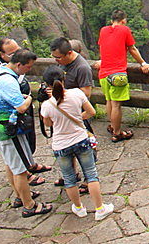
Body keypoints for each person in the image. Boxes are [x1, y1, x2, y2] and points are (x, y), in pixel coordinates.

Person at [40, 65, 114, 221]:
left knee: (69, 179)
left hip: (61, 145)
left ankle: (79, 208)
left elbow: (48, 124)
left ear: (46, 85)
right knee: (91, 175)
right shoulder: (76, 94)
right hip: (81, 140)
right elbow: (91, 112)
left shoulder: (47, 105)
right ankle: (100, 209)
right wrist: (78, 118)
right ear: (64, 79)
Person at [0, 49, 53, 217]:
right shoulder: (8, 82)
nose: (29, 70)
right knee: (20, 170)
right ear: (19, 64)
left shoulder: (1, 70)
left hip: (0, 127)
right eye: (28, 67)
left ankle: (19, 196)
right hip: (10, 131)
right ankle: (29, 205)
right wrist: (30, 97)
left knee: (11, 164)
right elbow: (22, 107)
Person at [97, 9, 149, 142]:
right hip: (117, 74)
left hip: (103, 72)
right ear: (123, 21)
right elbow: (132, 49)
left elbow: (103, 47)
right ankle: (117, 133)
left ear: (112, 21)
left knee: (109, 101)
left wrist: (102, 60)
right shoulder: (124, 30)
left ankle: (112, 125)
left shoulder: (103, 30)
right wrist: (143, 63)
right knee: (116, 105)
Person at [50, 37, 94, 190]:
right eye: (54, 57)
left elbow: (86, 93)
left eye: (58, 58)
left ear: (69, 53)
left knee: (85, 147)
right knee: (67, 145)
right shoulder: (62, 63)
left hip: (78, 113)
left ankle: (90, 179)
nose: (56, 61)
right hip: (63, 113)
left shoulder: (82, 68)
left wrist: (62, 93)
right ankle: (72, 174)